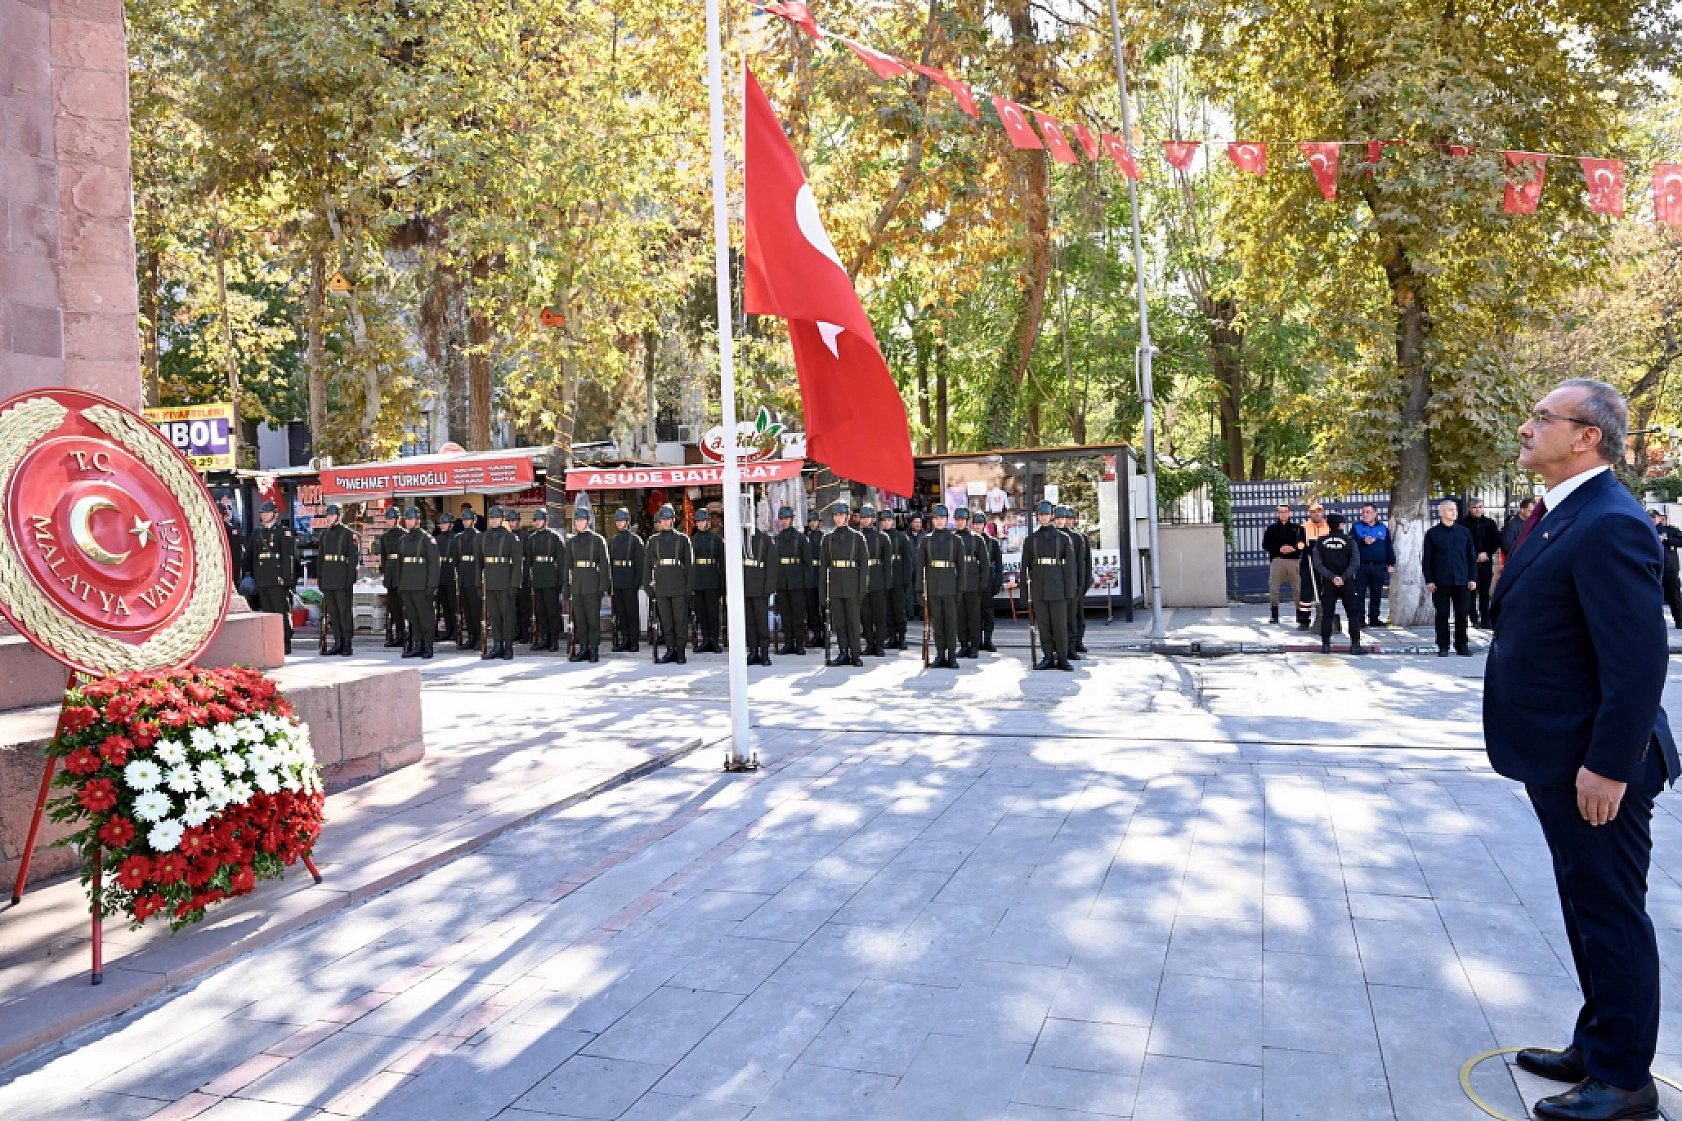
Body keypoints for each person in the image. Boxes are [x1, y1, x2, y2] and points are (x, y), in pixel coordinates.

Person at [1487, 379, 1678, 1121]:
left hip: (1596, 764)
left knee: (1611, 911)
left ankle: (1625, 1080)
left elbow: (1637, 662)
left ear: (1587, 435)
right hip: (1558, 756)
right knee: (1583, 905)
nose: (1528, 426)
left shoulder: (1610, 522)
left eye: (1543, 417)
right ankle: (1598, 1042)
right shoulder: (1565, 512)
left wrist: (1607, 766)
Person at [1021, 500, 1074, 670]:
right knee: (1043, 624)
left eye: (1046, 514)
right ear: (1038, 517)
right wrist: (1024, 593)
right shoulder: (1031, 540)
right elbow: (1025, 567)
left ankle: (1062, 657)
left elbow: (1070, 568)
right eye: (1041, 515)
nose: (1044, 517)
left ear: (1052, 516)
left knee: (1059, 624)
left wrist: (1069, 590)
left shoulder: (1063, 539)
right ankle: (1048, 656)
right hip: (1039, 588)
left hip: (1058, 586)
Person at [1422, 498, 1477, 657]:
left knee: (1462, 613)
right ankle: (1443, 645)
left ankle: (1462, 644)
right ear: (1441, 513)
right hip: (1441, 581)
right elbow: (1427, 559)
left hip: (1462, 580)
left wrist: (1472, 578)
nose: (1454, 512)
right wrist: (1429, 580)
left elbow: (1470, 557)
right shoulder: (1433, 534)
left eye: (1455, 510)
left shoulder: (1464, 532)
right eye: (1450, 509)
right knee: (1442, 614)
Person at [820, 499, 868, 667]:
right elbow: (823, 569)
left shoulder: (857, 537)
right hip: (835, 585)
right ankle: (843, 651)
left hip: (852, 584)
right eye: (836, 515)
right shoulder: (828, 539)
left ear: (848, 517)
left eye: (841, 515)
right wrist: (822, 592)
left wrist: (862, 588)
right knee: (839, 622)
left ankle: (855, 653)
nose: (838, 518)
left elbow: (864, 566)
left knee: (853, 621)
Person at [247, 501, 298, 654]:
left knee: (280, 611)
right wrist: (253, 576)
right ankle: (272, 643)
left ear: (275, 514)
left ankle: (285, 642)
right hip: (263, 578)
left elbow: (287, 557)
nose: (264, 515)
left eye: (267, 513)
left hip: (277, 578)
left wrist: (287, 578)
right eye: (262, 513)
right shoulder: (258, 532)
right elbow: (254, 556)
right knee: (268, 613)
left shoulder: (283, 532)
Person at [644, 503, 693, 664]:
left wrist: (688, 587)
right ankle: (670, 649)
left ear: (673, 520)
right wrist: (648, 586)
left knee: (680, 620)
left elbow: (689, 566)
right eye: (663, 519)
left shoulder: (682, 539)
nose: (665, 522)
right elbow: (647, 566)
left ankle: (680, 651)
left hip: (678, 584)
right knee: (666, 620)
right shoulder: (653, 541)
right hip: (662, 585)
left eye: (668, 519)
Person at [1311, 513, 1365, 655]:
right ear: (1341, 525)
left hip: (1329, 583)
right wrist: (1344, 577)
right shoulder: (1349, 541)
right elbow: (1355, 562)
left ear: (1328, 524)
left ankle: (1326, 645)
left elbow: (1318, 564)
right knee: (1353, 614)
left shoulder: (1321, 542)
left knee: (1327, 614)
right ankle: (1355, 645)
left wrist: (1332, 577)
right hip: (1347, 583)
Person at [562, 504, 609, 661]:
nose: (579, 523)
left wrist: (603, 586)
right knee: (580, 620)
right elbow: (567, 566)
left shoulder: (597, 540)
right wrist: (566, 587)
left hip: (592, 583)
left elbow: (604, 565)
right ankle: (583, 648)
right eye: (577, 520)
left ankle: (594, 649)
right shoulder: (571, 542)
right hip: (577, 585)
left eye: (582, 520)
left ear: (588, 521)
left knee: (593, 620)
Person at [919, 505, 962, 668]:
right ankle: (940, 654)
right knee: (937, 623)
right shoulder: (926, 540)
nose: (939, 521)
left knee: (950, 623)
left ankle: (951, 655)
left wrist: (960, 589)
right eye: (936, 518)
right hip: (934, 587)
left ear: (946, 519)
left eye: (942, 518)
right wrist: (919, 591)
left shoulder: (955, 540)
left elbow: (961, 567)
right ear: (933, 520)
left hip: (950, 586)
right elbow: (920, 566)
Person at [395, 506, 439, 660]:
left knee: (425, 617)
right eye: (406, 519)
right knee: (413, 618)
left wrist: (431, 585)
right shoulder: (403, 540)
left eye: (411, 519)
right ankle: (417, 644)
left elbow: (434, 564)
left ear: (418, 521)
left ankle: (428, 646)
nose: (408, 522)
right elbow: (400, 564)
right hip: (408, 584)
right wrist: (401, 584)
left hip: (422, 584)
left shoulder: (427, 539)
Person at [480, 506, 524, 660]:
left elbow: (518, 563)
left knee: (508, 617)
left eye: (496, 517)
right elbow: (479, 562)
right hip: (491, 581)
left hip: (505, 582)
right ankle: (497, 645)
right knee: (494, 617)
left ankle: (508, 646)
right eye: (491, 518)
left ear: (501, 519)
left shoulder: (510, 537)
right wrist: (479, 582)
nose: (494, 520)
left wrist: (514, 584)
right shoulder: (484, 537)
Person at [315, 504, 358, 657]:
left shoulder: (348, 535)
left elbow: (353, 559)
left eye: (331, 515)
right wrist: (320, 578)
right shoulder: (324, 535)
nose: (329, 518)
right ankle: (338, 641)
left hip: (342, 577)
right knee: (333, 613)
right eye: (327, 515)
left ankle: (347, 643)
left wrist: (350, 579)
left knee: (344, 612)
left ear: (339, 516)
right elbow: (320, 559)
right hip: (328, 577)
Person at [740, 515, 778, 665]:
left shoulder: (765, 539)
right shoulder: (740, 540)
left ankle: (764, 652)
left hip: (760, 586)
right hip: (745, 586)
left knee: (761, 622)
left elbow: (772, 566)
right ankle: (753, 651)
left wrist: (769, 588)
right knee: (749, 622)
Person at [1351, 503, 1395, 628]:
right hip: (1362, 566)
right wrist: (1362, 541)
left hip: (1378, 566)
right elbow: (1351, 543)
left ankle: (1374, 618)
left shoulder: (1382, 528)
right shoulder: (1357, 527)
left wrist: (1390, 563)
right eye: (1363, 512)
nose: (1365, 514)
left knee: (1376, 593)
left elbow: (1388, 547)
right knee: (1360, 594)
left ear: (1375, 514)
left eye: (1368, 512)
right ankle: (1360, 619)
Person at [525, 508, 564, 652]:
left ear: (546, 521)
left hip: (551, 578)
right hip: (538, 578)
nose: (537, 522)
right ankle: (544, 637)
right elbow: (528, 561)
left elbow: (561, 562)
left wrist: (560, 581)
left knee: (552, 611)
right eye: (535, 520)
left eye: (540, 519)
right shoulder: (532, 538)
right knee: (540, 611)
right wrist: (528, 579)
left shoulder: (555, 537)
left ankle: (554, 639)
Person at [774, 506, 811, 654]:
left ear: (792, 519)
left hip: (797, 581)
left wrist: (806, 584)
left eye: (786, 518)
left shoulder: (801, 538)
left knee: (798, 614)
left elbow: (807, 563)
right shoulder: (777, 539)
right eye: (782, 519)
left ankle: (799, 644)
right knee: (786, 614)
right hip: (782, 581)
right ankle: (788, 642)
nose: (784, 522)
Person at [609, 508, 646, 652]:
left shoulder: (635, 540)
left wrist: (636, 583)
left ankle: (634, 641)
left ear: (628, 522)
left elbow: (640, 564)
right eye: (618, 521)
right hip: (618, 579)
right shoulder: (613, 540)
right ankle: (625, 639)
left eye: (622, 520)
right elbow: (610, 562)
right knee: (621, 612)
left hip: (630, 579)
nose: (619, 523)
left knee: (632, 612)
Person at [1262, 505, 1306, 625]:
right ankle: (1274, 615)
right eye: (1281, 512)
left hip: (1294, 561)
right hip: (1277, 560)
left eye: (1285, 512)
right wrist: (1279, 549)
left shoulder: (1297, 528)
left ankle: (1300, 615)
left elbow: (1302, 545)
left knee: (1298, 589)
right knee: (1274, 589)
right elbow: (1265, 544)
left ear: (1289, 513)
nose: (1283, 514)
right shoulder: (1271, 529)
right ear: (1277, 513)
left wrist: (1293, 549)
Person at [689, 507, 724, 653]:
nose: (700, 524)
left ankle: (714, 640)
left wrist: (722, 584)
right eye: (698, 521)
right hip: (698, 579)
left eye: (703, 521)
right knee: (701, 612)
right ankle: (705, 638)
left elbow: (722, 563)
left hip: (712, 578)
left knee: (713, 612)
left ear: (708, 522)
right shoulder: (692, 540)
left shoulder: (716, 540)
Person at [1054, 506, 1088, 659]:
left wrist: (1082, 584)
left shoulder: (1078, 537)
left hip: (1074, 584)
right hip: (1058, 584)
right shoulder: (1055, 536)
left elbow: (1083, 564)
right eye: (1063, 518)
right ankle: (1062, 645)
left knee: (1076, 616)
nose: (1067, 521)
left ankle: (1075, 643)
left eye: (1069, 519)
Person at [858, 505, 890, 656]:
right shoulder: (856, 536)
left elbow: (887, 563)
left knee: (879, 615)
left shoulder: (882, 538)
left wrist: (887, 583)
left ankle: (879, 645)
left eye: (868, 517)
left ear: (873, 519)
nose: (865, 520)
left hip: (878, 578)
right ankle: (869, 644)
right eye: (863, 517)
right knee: (865, 615)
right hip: (862, 580)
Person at [954, 508, 985, 658]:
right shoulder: (951, 538)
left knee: (973, 616)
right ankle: (963, 645)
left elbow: (984, 564)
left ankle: (974, 646)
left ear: (967, 521)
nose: (960, 522)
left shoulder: (977, 539)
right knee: (960, 617)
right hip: (956, 583)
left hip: (973, 582)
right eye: (958, 520)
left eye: (962, 520)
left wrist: (982, 584)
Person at [1465, 498, 1502, 628]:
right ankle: (1474, 619)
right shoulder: (1463, 523)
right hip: (1470, 563)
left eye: (1480, 507)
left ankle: (1485, 619)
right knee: (1471, 592)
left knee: (1485, 593)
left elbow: (1496, 540)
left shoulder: (1489, 523)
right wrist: (1474, 555)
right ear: (1470, 508)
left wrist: (1487, 553)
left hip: (1486, 562)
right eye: (1475, 507)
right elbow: (1464, 543)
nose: (1478, 510)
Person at [879, 509, 913, 650]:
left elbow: (907, 560)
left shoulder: (901, 537)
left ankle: (902, 637)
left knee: (899, 609)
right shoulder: (879, 537)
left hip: (898, 577)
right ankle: (891, 636)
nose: (887, 523)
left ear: (893, 521)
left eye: (889, 520)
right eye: (884, 520)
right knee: (887, 610)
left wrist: (906, 580)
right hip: (884, 578)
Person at [452, 510, 483, 650]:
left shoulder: (479, 537)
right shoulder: (458, 538)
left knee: (476, 609)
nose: (465, 522)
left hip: (474, 574)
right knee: (467, 609)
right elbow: (456, 559)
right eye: (463, 520)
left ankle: (478, 637)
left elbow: (481, 559)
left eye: (467, 519)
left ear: (474, 520)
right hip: (463, 574)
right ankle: (470, 636)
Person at [1300, 503, 1332, 632]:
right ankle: (1304, 620)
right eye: (1313, 512)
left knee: (1324, 591)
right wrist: (1307, 549)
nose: (1316, 514)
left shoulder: (1329, 527)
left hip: (1325, 565)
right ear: (1310, 513)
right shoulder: (1304, 527)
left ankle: (1324, 616)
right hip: (1308, 564)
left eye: (1319, 511)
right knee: (1306, 593)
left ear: (1322, 513)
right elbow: (1299, 543)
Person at [377, 506, 406, 648]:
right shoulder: (385, 537)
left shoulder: (404, 535)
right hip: (390, 572)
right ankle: (399, 633)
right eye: (387, 519)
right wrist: (384, 572)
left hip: (401, 572)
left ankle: (406, 633)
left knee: (403, 606)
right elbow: (383, 557)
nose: (388, 521)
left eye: (391, 519)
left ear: (397, 520)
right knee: (394, 606)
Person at [971, 513, 1001, 652]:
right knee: (975, 613)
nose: (977, 526)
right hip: (973, 581)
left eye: (980, 524)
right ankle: (976, 642)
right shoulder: (969, 540)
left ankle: (987, 640)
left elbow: (999, 565)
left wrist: (997, 583)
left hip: (988, 581)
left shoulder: (993, 542)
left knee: (988, 612)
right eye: (975, 523)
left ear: (984, 525)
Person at [1651, 509, 1682, 629]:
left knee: (1675, 596)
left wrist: (1667, 539)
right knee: (1653, 597)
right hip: (1653, 569)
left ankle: (1679, 620)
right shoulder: (1645, 530)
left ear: (1659, 518)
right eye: (1650, 517)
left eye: (1654, 517)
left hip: (1669, 568)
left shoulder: (1669, 530)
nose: (1652, 519)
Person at [433, 515, 458, 643]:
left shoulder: (455, 538)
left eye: (444, 523)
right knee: (444, 606)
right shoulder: (436, 539)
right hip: (441, 573)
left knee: (453, 606)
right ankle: (448, 630)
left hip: (450, 573)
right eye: (440, 523)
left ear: (451, 525)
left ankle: (455, 630)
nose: (442, 525)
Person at [804, 512, 826, 649]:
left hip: (820, 574)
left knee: (823, 607)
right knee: (812, 608)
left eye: (815, 521)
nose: (812, 523)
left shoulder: (824, 537)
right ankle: (816, 634)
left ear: (819, 522)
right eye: (810, 521)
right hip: (810, 575)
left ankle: (824, 635)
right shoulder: (806, 538)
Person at [1501, 497, 1536, 564]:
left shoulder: (1533, 523)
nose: (1532, 514)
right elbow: (1507, 545)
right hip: (1516, 561)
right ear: (1522, 510)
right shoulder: (1511, 525)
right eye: (1530, 511)